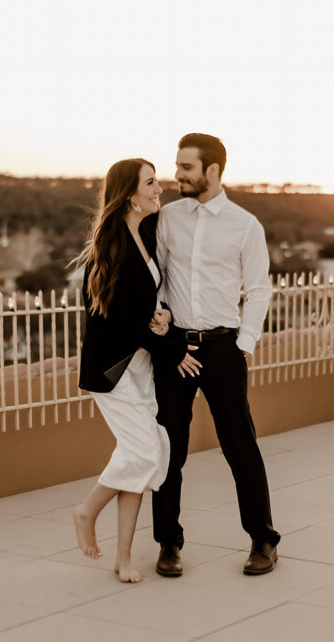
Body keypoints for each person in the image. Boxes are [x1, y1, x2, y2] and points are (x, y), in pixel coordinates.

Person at [152, 133, 281, 576]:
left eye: (186, 167)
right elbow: (160, 279)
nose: (178, 175)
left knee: (240, 446)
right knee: (168, 448)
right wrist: (166, 334)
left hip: (224, 348)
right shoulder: (167, 217)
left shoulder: (245, 225)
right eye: (177, 165)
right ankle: (168, 543)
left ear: (213, 171)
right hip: (175, 351)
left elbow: (260, 289)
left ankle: (263, 540)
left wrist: (243, 345)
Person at [72, 158, 197, 583]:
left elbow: (139, 307)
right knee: (145, 453)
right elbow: (117, 320)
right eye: (150, 183)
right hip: (115, 372)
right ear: (130, 195)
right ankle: (87, 511)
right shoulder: (112, 247)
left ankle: (123, 557)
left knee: (139, 459)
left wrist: (159, 315)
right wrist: (172, 347)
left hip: (139, 367)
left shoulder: (142, 235)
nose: (158, 188)